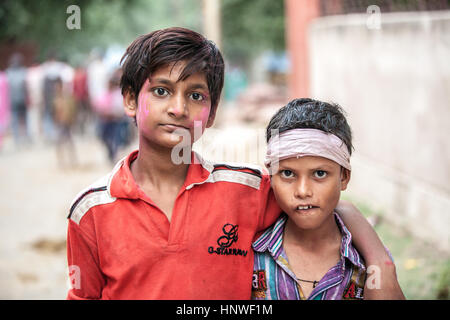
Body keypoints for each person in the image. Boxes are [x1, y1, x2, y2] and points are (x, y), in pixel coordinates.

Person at [66, 27, 403, 300]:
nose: (179, 108)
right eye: (161, 91)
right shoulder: (91, 210)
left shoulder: (245, 190)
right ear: (129, 99)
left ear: (211, 114)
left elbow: (314, 199)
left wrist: (379, 262)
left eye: (196, 95)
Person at [252, 98, 404, 300]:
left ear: (344, 177)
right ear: (271, 178)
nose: (303, 191)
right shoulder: (250, 252)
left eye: (320, 174)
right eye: (288, 173)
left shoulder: (368, 264)